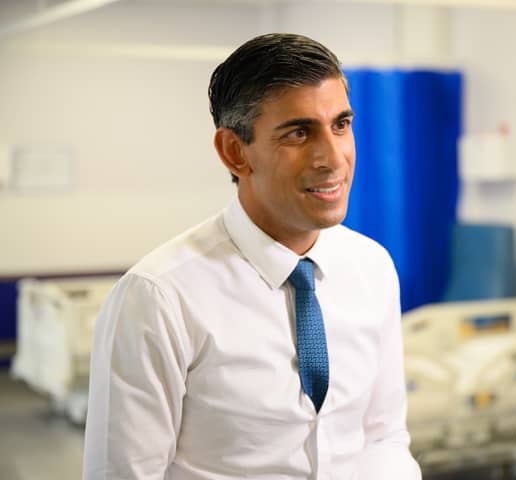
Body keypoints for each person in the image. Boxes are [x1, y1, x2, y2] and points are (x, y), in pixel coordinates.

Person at [83, 33, 421, 479]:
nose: (332, 157)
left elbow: (382, 436)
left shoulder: (372, 268)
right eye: (299, 133)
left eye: (341, 124)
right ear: (235, 152)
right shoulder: (159, 298)